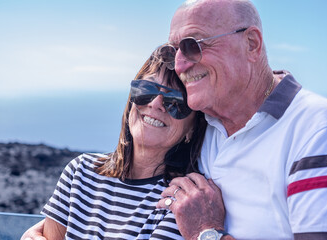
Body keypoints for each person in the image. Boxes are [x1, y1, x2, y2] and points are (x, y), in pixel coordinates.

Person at [155, 0, 327, 240]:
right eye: (172, 51)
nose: (179, 64)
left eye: (192, 45)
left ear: (251, 44)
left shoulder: (317, 128)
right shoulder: (200, 123)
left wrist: (206, 232)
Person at [21, 52, 208, 239]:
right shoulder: (80, 172)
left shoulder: (184, 200)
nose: (155, 103)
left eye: (175, 100)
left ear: (192, 127)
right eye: (147, 90)